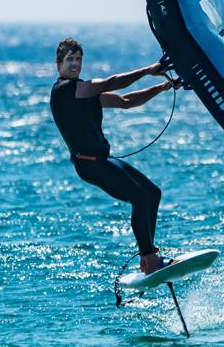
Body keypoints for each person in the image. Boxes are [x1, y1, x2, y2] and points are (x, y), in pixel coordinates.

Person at [50, 37, 179, 274]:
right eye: (70, 59)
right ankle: (150, 260)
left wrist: (162, 87)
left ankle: (147, 257)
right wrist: (149, 70)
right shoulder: (64, 90)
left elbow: (127, 101)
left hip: (102, 160)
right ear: (58, 63)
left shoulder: (84, 92)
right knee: (139, 198)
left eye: (79, 59)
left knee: (152, 193)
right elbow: (110, 82)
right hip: (89, 164)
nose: (76, 64)